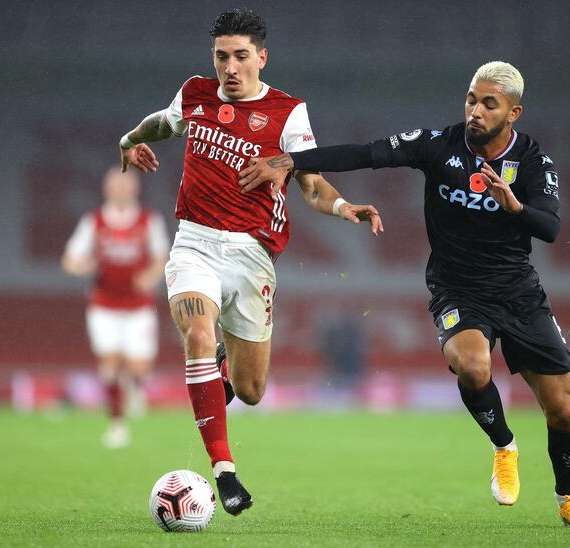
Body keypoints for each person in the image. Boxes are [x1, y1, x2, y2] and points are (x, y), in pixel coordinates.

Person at [238, 61, 570, 529]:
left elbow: (550, 228)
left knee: (561, 408)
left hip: (518, 292)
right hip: (456, 287)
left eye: (489, 104)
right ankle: (504, 446)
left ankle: (568, 496)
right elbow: (367, 153)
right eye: (471, 99)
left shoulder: (533, 162)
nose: (475, 111)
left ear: (514, 112)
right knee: (472, 365)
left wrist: (514, 205)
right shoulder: (439, 146)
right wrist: (294, 160)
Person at [117, 9, 383, 516]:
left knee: (251, 389)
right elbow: (161, 122)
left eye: (241, 57)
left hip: (252, 254)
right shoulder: (195, 94)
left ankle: (220, 374)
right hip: (194, 242)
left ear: (262, 57)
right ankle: (225, 471)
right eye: (222, 57)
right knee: (197, 331)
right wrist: (130, 141)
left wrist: (344, 207)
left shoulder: (288, 112)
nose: (230, 68)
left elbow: (309, 180)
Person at [62, 166, 170, 449]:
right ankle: (117, 423)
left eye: (126, 185)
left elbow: (161, 257)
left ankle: (133, 386)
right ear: (106, 189)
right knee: (109, 362)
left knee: (139, 367)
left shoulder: (149, 220)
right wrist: (81, 265)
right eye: (116, 185)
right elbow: (71, 258)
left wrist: (150, 276)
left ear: (135, 189)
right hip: (104, 303)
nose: (121, 190)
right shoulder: (94, 222)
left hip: (138, 305)